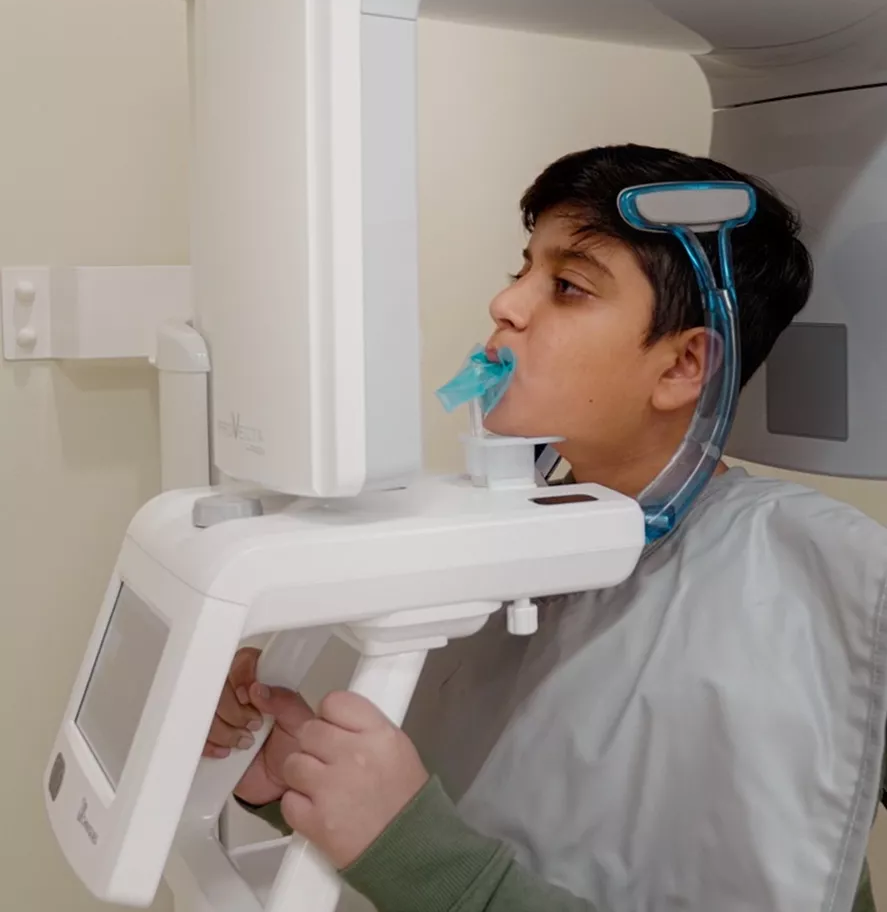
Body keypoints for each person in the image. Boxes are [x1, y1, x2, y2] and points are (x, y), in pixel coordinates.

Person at [202, 144, 887, 911]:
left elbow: (427, 851)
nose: (508, 305)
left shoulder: (828, 572)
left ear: (681, 366)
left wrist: (412, 851)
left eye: (566, 285)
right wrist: (290, 776)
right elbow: (457, 807)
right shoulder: (502, 546)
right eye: (520, 269)